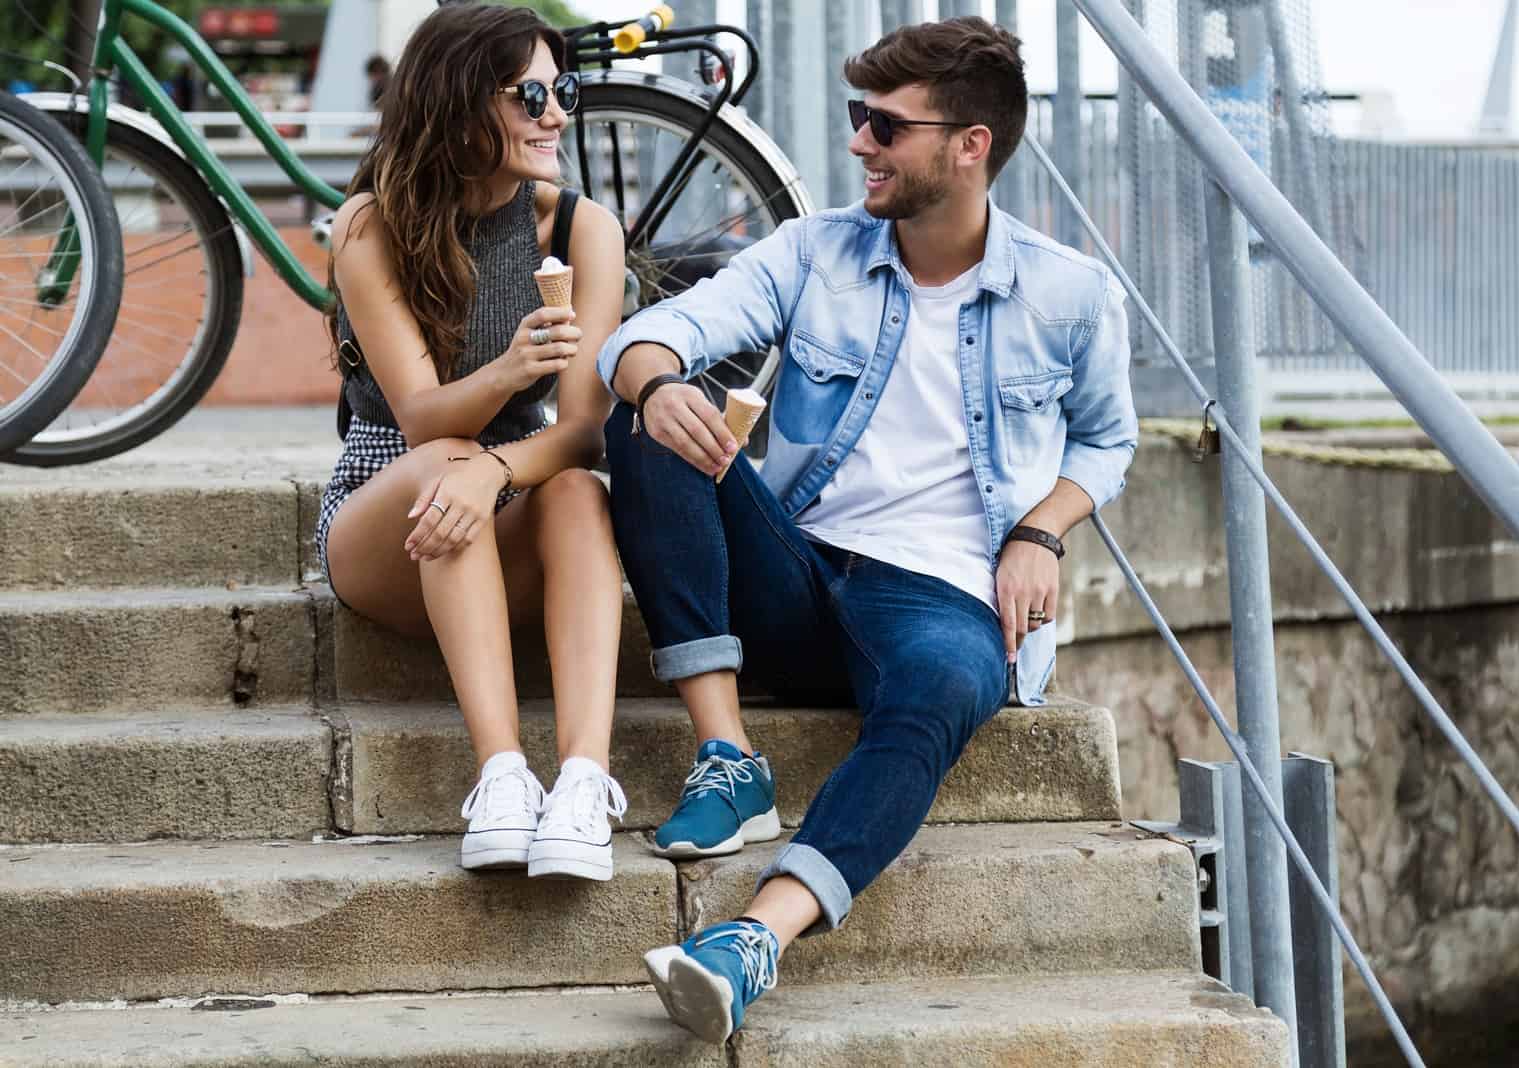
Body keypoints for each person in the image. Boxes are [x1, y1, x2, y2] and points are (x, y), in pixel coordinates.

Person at [597, 16, 1136, 1042]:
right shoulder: (813, 252)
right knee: (645, 412)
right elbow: (654, 329)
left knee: (939, 684)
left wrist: (1043, 528)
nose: (858, 145)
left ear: (968, 146)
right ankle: (729, 759)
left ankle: (753, 939)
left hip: (943, 599)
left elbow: (1108, 442)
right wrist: (658, 378)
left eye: (883, 125)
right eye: (858, 118)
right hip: (797, 570)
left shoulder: (1067, 293)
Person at [318, 3, 630, 881]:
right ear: (459, 105)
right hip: (388, 507)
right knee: (448, 464)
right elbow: (420, 418)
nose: (556, 114)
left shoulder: (582, 230)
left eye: (561, 90)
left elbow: (578, 431)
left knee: (575, 491)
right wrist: (506, 370)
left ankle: (580, 781)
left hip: (509, 479)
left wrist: (498, 463)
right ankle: (500, 775)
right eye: (530, 95)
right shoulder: (371, 228)